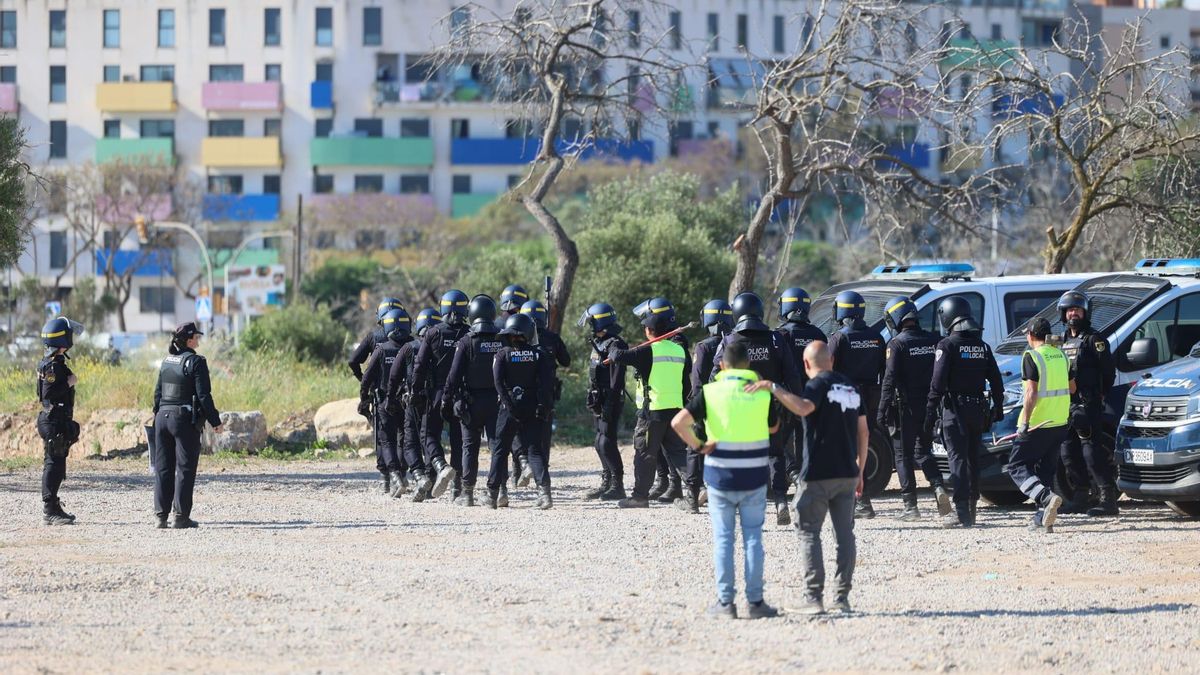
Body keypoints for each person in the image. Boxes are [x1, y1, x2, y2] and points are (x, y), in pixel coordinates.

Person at [745, 341, 867, 615]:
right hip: (848, 473)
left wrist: (773, 387)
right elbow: (864, 431)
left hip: (818, 475)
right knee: (844, 534)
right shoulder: (851, 387)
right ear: (831, 360)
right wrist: (860, 470)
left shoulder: (816, 385)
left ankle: (813, 597)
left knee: (809, 532)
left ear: (806, 364)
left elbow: (803, 408)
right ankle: (842, 598)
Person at [672, 341, 780, 620]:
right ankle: (755, 602)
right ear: (748, 364)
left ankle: (725, 603)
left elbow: (678, 422)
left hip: (720, 477)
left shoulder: (710, 392)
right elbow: (773, 427)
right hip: (755, 476)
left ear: (722, 365)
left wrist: (699, 445)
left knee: (723, 539)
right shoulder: (762, 392)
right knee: (753, 538)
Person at [712, 292, 802, 525]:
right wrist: (796, 403)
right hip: (772, 406)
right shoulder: (776, 339)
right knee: (775, 453)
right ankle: (781, 501)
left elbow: (714, 376)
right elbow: (792, 375)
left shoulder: (730, 341)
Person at [925, 297, 1004, 528]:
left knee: (957, 459)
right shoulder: (982, 346)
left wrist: (929, 414)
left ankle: (961, 512)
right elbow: (996, 380)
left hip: (955, 411)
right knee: (972, 459)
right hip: (978, 410)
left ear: (947, 317)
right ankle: (971, 508)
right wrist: (998, 407)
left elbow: (937, 384)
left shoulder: (946, 345)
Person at [612, 299, 693, 509]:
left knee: (644, 454)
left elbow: (618, 356)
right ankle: (697, 490)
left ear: (649, 330)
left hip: (652, 413)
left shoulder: (648, 351)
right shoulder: (679, 350)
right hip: (674, 410)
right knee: (678, 453)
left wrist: (612, 347)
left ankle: (639, 496)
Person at [879, 296, 951, 521]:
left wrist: (882, 410)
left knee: (903, 455)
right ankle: (938, 486)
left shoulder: (897, 344)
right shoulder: (935, 340)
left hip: (905, 409)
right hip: (931, 407)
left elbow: (889, 379)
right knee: (923, 451)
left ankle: (910, 507)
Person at [152, 322, 225, 529]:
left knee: (163, 468)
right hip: (183, 420)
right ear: (189, 340)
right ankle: (180, 517)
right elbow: (204, 396)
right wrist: (215, 421)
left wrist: (157, 416)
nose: (199, 340)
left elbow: (157, 393)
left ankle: (160, 517)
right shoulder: (196, 361)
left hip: (162, 418)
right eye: (197, 337)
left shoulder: (166, 361)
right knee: (185, 468)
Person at [1057, 291, 1119, 517]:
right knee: (1068, 452)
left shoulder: (1094, 339)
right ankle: (1081, 496)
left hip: (1087, 404)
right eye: (1069, 310)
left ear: (1085, 313)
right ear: (1063, 313)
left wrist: (1099, 397)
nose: (1073, 314)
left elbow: (1108, 372)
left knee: (1091, 452)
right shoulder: (1061, 340)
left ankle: (1108, 499)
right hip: (1066, 405)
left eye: (1077, 310)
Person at [1007, 318, 1071, 532]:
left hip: (1037, 423)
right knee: (1046, 470)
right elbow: (1072, 387)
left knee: (1016, 466)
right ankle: (1043, 520)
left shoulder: (1032, 356)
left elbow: (1031, 393)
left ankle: (1045, 497)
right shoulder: (1062, 355)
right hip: (1059, 422)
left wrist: (1024, 422)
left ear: (1031, 335)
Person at [827, 290, 886, 520]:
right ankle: (861, 500)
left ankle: (857, 502)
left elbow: (828, 369)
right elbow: (883, 370)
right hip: (870, 398)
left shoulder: (839, 338)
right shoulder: (877, 337)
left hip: (845, 398)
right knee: (862, 448)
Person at [487, 313, 556, 509]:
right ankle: (544, 494)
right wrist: (543, 406)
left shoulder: (502, 354)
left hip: (508, 408)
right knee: (534, 450)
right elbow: (546, 384)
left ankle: (493, 495)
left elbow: (498, 383)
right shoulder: (538, 354)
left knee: (500, 451)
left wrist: (509, 405)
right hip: (532, 406)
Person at [444, 295, 504, 507]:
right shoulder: (503, 339)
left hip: (471, 403)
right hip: (498, 401)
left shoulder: (466, 341)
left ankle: (467, 493)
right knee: (498, 447)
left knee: (469, 447)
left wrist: (447, 400)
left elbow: (453, 376)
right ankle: (496, 493)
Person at [411, 290, 470, 501]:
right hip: (462, 395)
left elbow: (419, 365)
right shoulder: (469, 333)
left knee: (428, 434)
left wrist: (416, 391)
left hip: (436, 393)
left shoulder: (433, 333)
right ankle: (457, 489)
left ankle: (440, 464)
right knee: (458, 440)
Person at [774, 287, 827, 513]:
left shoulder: (780, 335)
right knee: (808, 446)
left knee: (777, 444)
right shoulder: (819, 334)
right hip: (814, 399)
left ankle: (792, 478)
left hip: (788, 399)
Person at [514, 299, 571, 488]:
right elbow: (566, 361)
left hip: (523, 393)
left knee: (518, 431)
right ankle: (543, 480)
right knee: (543, 437)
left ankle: (518, 471)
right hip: (546, 395)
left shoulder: (518, 337)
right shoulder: (552, 338)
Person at [358, 308, 412, 498]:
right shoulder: (413, 347)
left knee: (387, 440)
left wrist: (364, 399)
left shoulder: (381, 350)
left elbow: (366, 379)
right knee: (404, 439)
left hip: (384, 402)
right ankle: (403, 474)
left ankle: (394, 477)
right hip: (408, 402)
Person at [386, 307, 438, 502]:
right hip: (433, 399)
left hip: (413, 400)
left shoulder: (409, 347)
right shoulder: (441, 347)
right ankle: (431, 481)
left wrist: (390, 398)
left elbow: (394, 375)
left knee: (410, 443)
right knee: (430, 439)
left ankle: (419, 476)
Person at [36, 316, 84, 526]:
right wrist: (69, 382)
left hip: (56, 419)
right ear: (63, 340)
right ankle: (49, 510)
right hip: (53, 420)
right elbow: (48, 393)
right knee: (53, 465)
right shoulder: (53, 367)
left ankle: (54, 506)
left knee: (56, 464)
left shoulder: (50, 362)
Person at [579, 302, 629, 500]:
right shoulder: (600, 343)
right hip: (598, 398)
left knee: (606, 442)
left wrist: (609, 404)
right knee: (599, 442)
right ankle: (606, 482)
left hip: (611, 399)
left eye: (592, 322)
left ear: (601, 322)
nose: (590, 326)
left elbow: (617, 381)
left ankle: (618, 486)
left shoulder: (616, 344)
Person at [687, 299, 735, 510]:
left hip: (706, 403)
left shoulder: (703, 346)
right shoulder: (735, 343)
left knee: (695, 448)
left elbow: (697, 380)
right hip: (729, 404)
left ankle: (692, 497)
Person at [349, 297, 405, 381]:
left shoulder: (373, 337)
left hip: (377, 388)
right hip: (403, 388)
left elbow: (353, 361)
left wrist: (362, 379)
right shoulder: (410, 340)